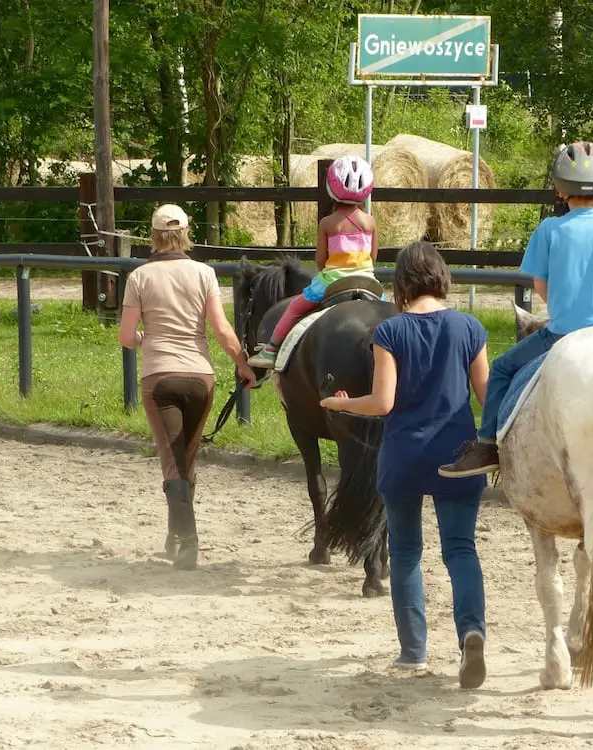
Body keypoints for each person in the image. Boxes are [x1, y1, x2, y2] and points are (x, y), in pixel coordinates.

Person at [319, 241, 490, 689]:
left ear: (401, 284)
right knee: (461, 550)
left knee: (407, 552)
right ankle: (471, 632)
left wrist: (342, 404)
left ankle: (413, 651)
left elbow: (383, 402)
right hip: (458, 455)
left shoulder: (390, 333)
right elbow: (487, 397)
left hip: (404, 456)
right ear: (441, 277)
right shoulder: (469, 327)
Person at [439, 141, 593, 478]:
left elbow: (540, 285)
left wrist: (566, 306)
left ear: (560, 190)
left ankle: (487, 444)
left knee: (503, 368)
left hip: (562, 333)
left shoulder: (548, 230)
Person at [118, 203, 256, 570]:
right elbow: (223, 331)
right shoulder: (204, 274)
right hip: (200, 377)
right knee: (186, 459)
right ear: (185, 234)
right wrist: (244, 365)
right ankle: (175, 534)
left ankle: (189, 540)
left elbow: (126, 336)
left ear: (153, 235)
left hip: (160, 377)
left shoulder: (140, 277)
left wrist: (146, 339)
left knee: (171, 461)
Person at [247, 155, 378, 369]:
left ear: (331, 188)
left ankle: (271, 349)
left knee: (295, 308)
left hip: (333, 281)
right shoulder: (370, 222)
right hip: (366, 281)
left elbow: (320, 260)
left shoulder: (327, 223)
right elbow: (373, 256)